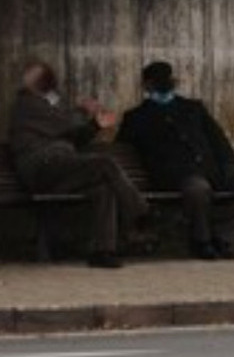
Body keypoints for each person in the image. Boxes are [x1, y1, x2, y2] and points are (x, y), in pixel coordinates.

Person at [117, 62, 234, 260]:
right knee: (198, 190)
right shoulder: (137, 117)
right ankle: (201, 241)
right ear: (147, 86)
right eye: (157, 82)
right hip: (176, 175)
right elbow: (124, 147)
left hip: (213, 170)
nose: (164, 85)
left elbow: (218, 141)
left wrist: (229, 166)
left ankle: (223, 236)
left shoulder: (193, 108)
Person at [8, 61, 148, 269]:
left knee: (103, 188)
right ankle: (140, 212)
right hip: (42, 168)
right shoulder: (27, 104)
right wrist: (85, 111)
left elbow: (75, 136)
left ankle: (103, 251)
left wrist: (94, 124)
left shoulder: (52, 104)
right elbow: (66, 123)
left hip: (61, 167)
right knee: (105, 164)